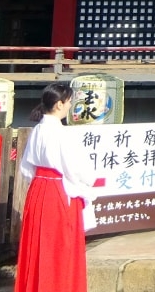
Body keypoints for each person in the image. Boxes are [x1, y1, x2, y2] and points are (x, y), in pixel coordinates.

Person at [15, 82, 101, 292]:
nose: (70, 106)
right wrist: (89, 182)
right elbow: (74, 168)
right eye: (69, 102)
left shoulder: (37, 131)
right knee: (61, 246)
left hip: (38, 189)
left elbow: (26, 168)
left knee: (37, 244)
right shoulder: (61, 134)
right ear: (59, 105)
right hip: (59, 191)